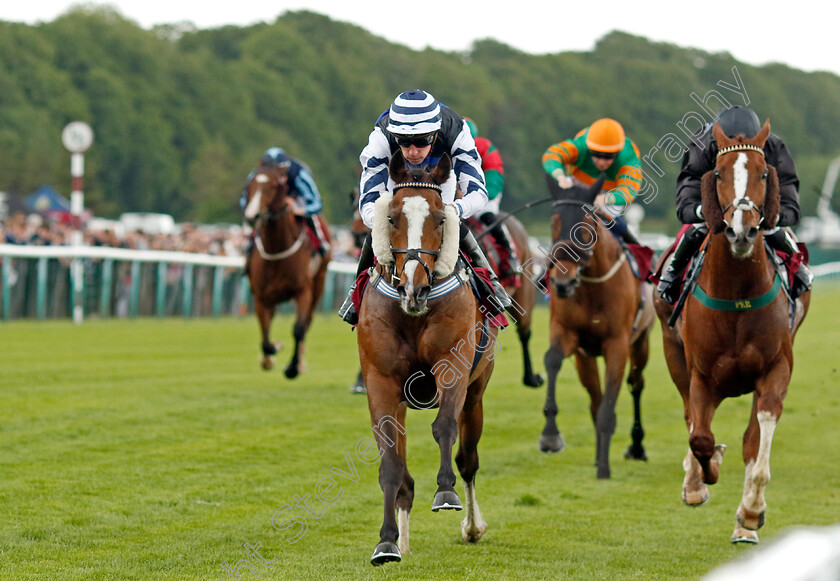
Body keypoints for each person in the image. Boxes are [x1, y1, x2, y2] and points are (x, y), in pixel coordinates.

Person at [338, 89, 512, 325]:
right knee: (385, 221)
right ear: (394, 135)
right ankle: (355, 292)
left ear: (436, 132)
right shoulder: (381, 136)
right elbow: (369, 199)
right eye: (404, 142)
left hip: (442, 175)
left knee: (446, 221)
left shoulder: (455, 130)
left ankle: (491, 285)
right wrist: (385, 217)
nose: (412, 151)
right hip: (398, 176)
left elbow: (478, 192)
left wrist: (454, 211)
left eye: (421, 142)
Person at [657, 105, 813, 304]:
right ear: (719, 139)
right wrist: (703, 212)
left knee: (778, 231)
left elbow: (789, 194)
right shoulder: (703, 146)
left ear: (759, 139)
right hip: (717, 211)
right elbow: (688, 191)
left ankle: (799, 274)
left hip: (758, 212)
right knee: (694, 230)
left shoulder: (773, 146)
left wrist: (778, 216)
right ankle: (670, 277)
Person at [542, 118, 644, 245]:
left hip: (608, 197)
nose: (601, 162)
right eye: (596, 154)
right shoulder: (580, 146)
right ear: (589, 148)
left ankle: (634, 248)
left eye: (608, 157)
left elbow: (630, 190)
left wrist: (606, 199)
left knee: (612, 224)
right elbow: (552, 155)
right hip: (578, 188)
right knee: (565, 220)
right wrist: (560, 176)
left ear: (618, 153)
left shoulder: (628, 157)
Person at [239, 147, 330, 263]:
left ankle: (320, 243)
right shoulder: (256, 175)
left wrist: (299, 210)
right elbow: (243, 201)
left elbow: (317, 203)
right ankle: (248, 244)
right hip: (267, 205)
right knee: (254, 212)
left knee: (307, 212)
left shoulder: (297, 172)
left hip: (294, 200)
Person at [463, 117, 520, 278]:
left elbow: (494, 179)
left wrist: (473, 198)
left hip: (484, 195)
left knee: (488, 217)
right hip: (457, 198)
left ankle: (509, 256)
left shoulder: (486, 149)